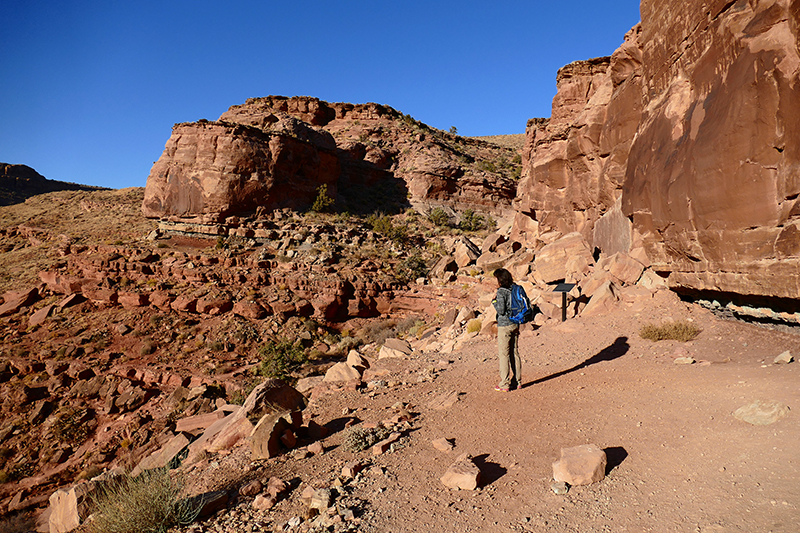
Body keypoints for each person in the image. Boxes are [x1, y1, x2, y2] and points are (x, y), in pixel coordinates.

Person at [492, 268, 521, 392]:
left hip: (504, 326)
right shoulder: (515, 288)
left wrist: (494, 300)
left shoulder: (501, 291)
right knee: (514, 353)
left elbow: (501, 310)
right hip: (515, 323)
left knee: (504, 354)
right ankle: (517, 381)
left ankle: (504, 383)